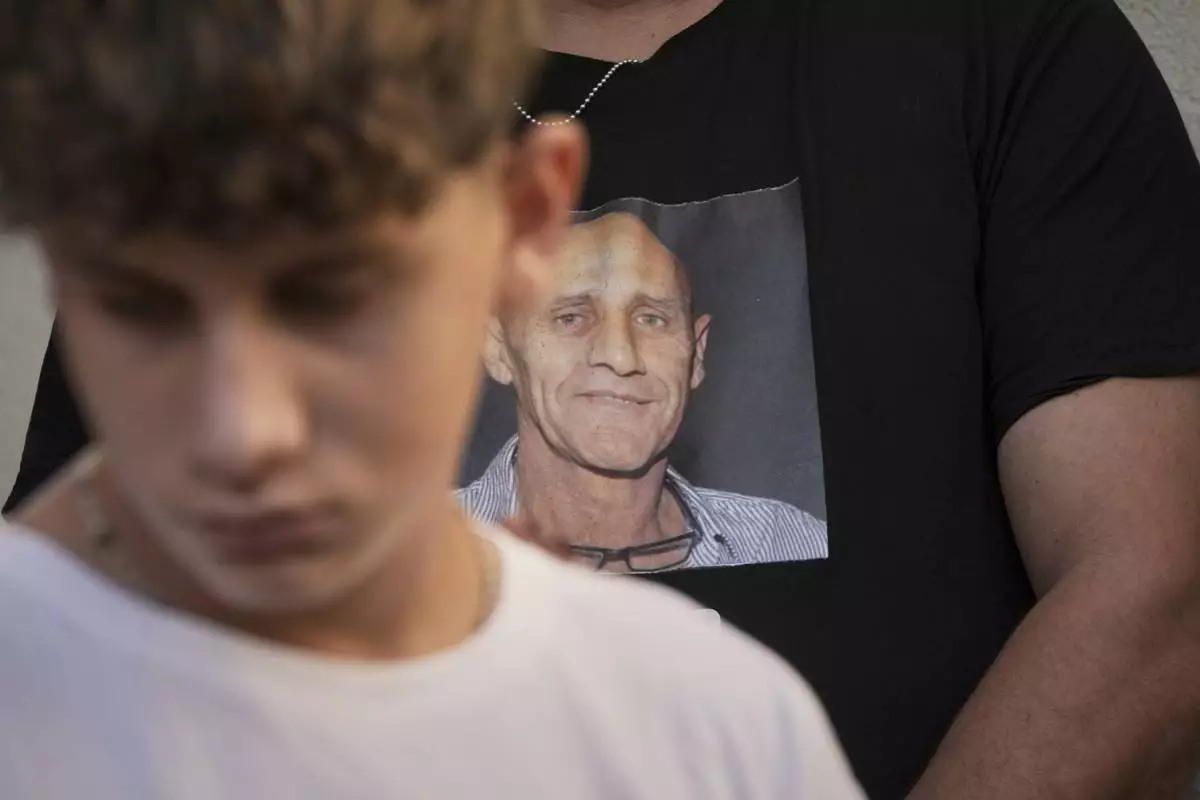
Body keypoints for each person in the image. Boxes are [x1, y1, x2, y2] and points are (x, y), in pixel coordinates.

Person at [8, 0, 1200, 798]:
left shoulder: (716, 705)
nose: (243, 412)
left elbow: (1161, 578)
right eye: (145, 302)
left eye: (338, 294)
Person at [461, 211, 827, 569]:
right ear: (498, 348)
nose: (621, 357)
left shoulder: (787, 544)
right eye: (571, 317)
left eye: (651, 319)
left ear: (697, 353)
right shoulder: (413, 560)